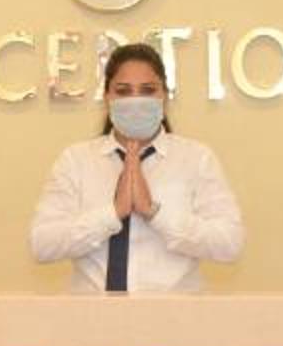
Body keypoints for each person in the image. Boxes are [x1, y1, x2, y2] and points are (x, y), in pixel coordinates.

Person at [28, 41, 244, 292]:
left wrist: (154, 213)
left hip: (174, 314)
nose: (136, 100)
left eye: (147, 90)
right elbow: (42, 245)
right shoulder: (76, 160)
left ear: (164, 96)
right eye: (124, 91)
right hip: (91, 314)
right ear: (107, 97)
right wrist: (112, 213)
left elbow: (230, 243)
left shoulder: (196, 159)